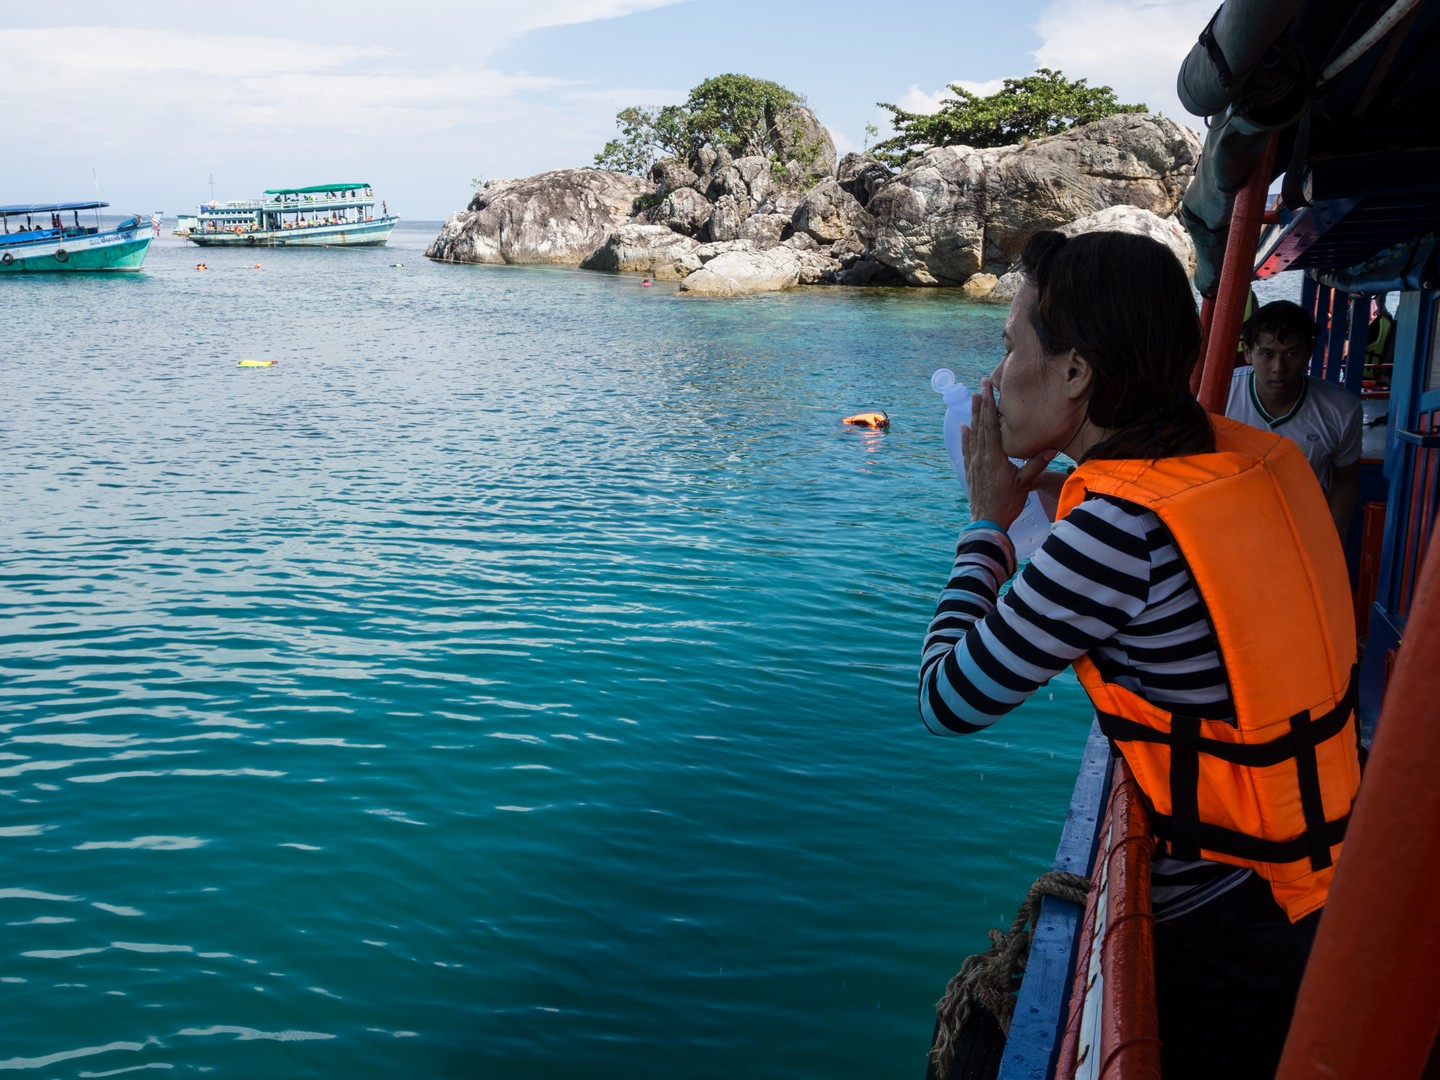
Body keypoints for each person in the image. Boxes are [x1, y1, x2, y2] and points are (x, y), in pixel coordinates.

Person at [920, 230, 1361, 1080]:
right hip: (1316, 876)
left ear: (1076, 373)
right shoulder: (1234, 460)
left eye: (1008, 347)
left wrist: (986, 527)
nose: (994, 378)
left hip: (1233, 927)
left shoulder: (1117, 532)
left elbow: (948, 697)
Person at [1226, 300, 1362, 536]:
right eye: (1267, 354)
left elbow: (1344, 480)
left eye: (1291, 353)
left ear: (1309, 351)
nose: (1278, 367)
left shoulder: (1341, 410)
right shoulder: (1220, 395)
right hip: (1229, 528)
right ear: (1247, 352)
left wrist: (1331, 541)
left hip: (1301, 533)